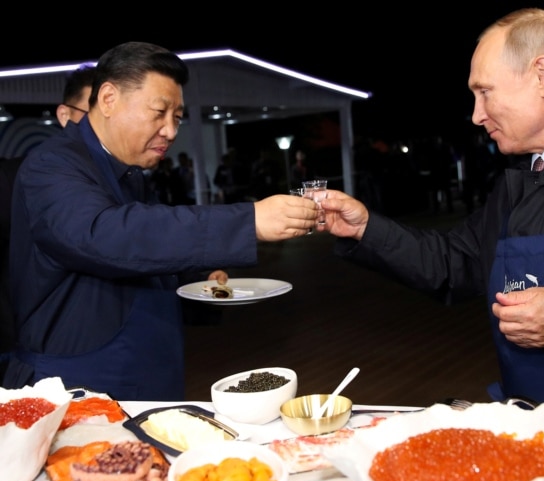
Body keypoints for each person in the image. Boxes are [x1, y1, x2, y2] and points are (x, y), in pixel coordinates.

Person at [320, 8, 544, 407]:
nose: (477, 115)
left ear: (541, 75)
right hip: (530, 430)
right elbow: (453, 263)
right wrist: (364, 228)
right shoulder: (526, 173)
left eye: (485, 91)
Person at [5, 42, 317, 400]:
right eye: (159, 112)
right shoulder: (53, 164)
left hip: (148, 368)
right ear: (108, 99)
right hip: (79, 380)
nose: (170, 130)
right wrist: (248, 221)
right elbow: (104, 235)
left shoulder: (131, 171)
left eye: (178, 117)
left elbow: (151, 246)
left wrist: (197, 277)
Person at [1, 65, 96, 382]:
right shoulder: (18, 176)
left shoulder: (121, 182)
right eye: (92, 112)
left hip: (86, 353)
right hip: (23, 346)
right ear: (65, 115)